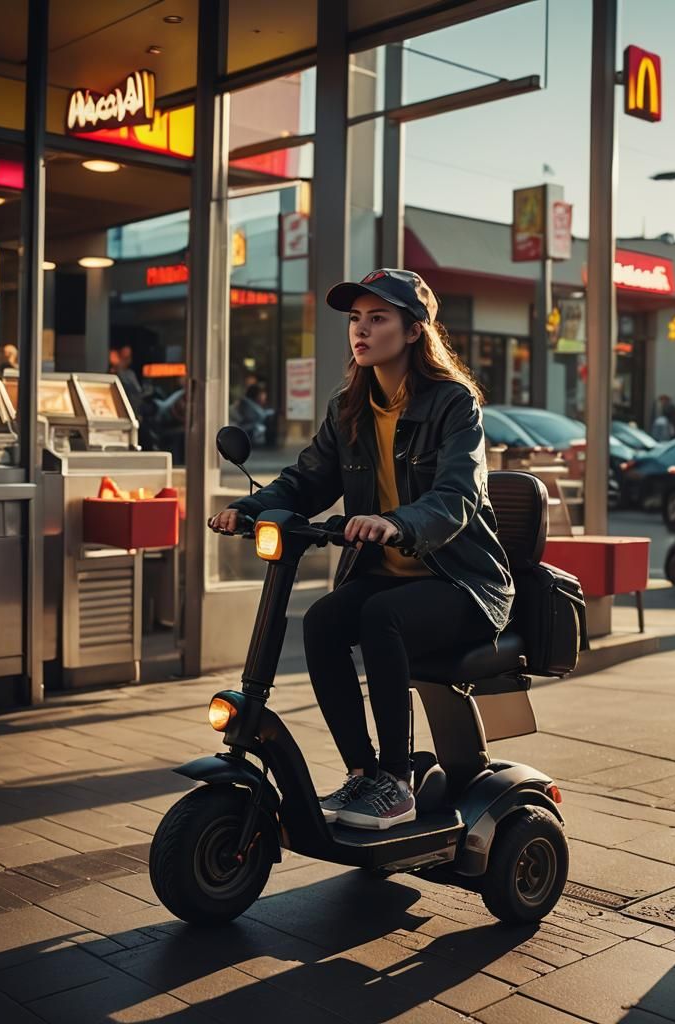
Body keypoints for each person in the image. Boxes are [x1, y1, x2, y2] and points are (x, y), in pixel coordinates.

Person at [208, 269, 513, 830]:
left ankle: (396, 782)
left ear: (415, 329)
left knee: (379, 617)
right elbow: (306, 480)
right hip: (394, 578)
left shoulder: (454, 404)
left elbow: (457, 494)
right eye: (355, 319)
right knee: (322, 620)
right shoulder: (348, 406)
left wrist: (396, 523)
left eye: (378, 318)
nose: (361, 330)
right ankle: (364, 773)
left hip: (463, 582)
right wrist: (249, 509)